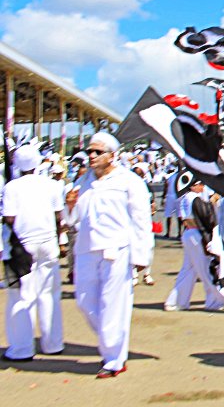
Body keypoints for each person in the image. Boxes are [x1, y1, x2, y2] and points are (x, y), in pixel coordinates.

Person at [73, 132, 153, 378]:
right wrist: (68, 205)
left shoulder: (129, 181)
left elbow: (141, 219)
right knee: (84, 301)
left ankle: (114, 360)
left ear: (112, 155)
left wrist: (142, 257)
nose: (92, 156)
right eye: (90, 152)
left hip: (117, 250)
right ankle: (112, 341)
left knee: (113, 305)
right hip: (87, 249)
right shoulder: (82, 182)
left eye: (98, 152)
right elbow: (73, 220)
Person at [2, 145, 65, 361]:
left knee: (21, 297)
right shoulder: (52, 185)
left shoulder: (12, 187)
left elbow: (10, 218)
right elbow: (59, 217)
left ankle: (21, 348)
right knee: (49, 294)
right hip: (48, 242)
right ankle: (53, 343)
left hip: (22, 247)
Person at [164, 176, 224, 312]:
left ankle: (176, 302)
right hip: (197, 235)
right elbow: (206, 216)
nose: (202, 187)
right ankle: (214, 301)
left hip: (189, 233)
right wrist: (213, 200)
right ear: (192, 186)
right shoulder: (194, 198)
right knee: (207, 268)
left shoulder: (184, 199)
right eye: (200, 184)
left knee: (188, 270)